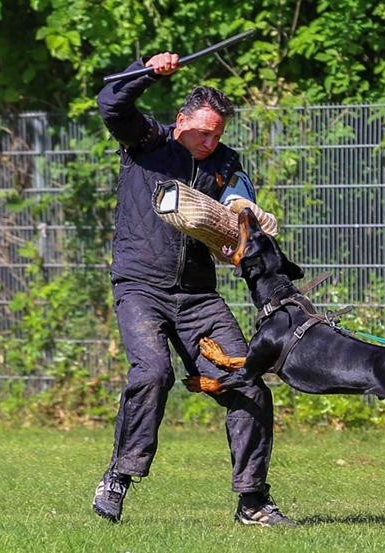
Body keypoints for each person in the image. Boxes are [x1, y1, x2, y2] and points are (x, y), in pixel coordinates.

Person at [92, 52, 294, 527]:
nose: (209, 142)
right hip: (140, 286)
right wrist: (146, 70)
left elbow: (237, 193)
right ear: (180, 121)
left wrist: (245, 211)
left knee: (248, 385)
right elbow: (110, 105)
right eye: (202, 131)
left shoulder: (224, 161)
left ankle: (253, 501)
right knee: (152, 372)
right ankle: (120, 474)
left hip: (198, 296)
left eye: (217, 134)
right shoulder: (147, 141)